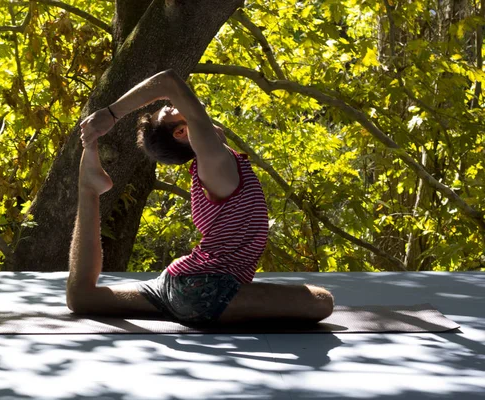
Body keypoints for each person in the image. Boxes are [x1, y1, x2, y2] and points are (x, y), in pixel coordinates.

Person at [66, 69, 334, 325]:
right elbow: (168, 82)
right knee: (321, 301)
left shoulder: (210, 165)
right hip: (205, 288)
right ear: (183, 132)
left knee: (83, 298)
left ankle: (88, 187)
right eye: (170, 109)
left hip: (181, 281)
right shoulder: (213, 157)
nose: (178, 102)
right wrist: (112, 114)